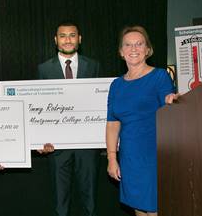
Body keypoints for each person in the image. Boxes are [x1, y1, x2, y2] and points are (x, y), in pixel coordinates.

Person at [105, 25, 175, 216]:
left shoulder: (160, 76)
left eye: (139, 44)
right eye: (128, 45)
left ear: (148, 49)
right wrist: (112, 159)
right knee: (138, 209)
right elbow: (112, 124)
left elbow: (171, 109)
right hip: (130, 156)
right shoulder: (116, 85)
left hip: (154, 154)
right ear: (121, 52)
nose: (133, 49)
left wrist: (172, 100)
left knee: (154, 209)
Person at [37, 21, 100, 216]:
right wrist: (39, 139)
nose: (68, 40)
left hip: (87, 146)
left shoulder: (94, 66)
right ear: (56, 40)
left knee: (89, 200)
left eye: (72, 35)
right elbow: (39, 108)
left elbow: (100, 103)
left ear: (79, 39)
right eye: (63, 36)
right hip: (57, 147)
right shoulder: (44, 69)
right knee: (60, 202)